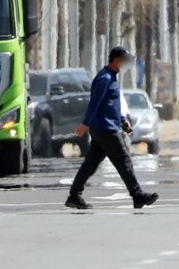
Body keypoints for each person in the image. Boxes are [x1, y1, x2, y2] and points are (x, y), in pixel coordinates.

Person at [66, 47, 159, 210]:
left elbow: (111, 105)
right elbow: (95, 102)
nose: (126, 63)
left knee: (91, 163)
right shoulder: (105, 78)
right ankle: (137, 195)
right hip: (105, 128)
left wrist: (123, 121)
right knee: (124, 160)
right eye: (124, 60)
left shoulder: (111, 78)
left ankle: (74, 195)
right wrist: (85, 123)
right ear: (115, 60)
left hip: (107, 125)